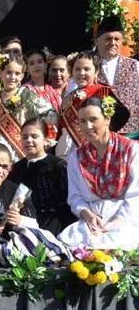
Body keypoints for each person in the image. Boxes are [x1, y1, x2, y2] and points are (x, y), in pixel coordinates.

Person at [59, 97, 139, 249]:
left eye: (93, 119)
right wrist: (87, 215)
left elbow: (136, 196)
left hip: (126, 220)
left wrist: (117, 221)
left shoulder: (131, 150)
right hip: (93, 221)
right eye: (82, 121)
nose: (87, 126)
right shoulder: (77, 157)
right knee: (69, 242)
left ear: (107, 119)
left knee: (120, 245)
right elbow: (75, 197)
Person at [55, 51, 126, 158]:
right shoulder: (67, 97)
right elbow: (62, 126)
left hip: (94, 147)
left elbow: (121, 116)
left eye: (86, 69)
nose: (81, 73)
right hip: (65, 148)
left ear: (96, 72)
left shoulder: (102, 91)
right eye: (77, 69)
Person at [8, 118, 72, 235]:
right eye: (25, 137)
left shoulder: (58, 166)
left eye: (34, 136)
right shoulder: (17, 168)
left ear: (45, 140)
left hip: (53, 226)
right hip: (20, 224)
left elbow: (66, 204)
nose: (29, 140)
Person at [0, 55, 54, 160]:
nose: (12, 77)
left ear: (22, 76)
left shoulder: (28, 95)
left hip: (23, 147)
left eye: (17, 73)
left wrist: (44, 138)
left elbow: (51, 115)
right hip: (0, 149)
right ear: (1, 73)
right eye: (8, 72)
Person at [92, 16, 139, 136]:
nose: (113, 43)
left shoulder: (134, 65)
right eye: (108, 38)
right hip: (98, 134)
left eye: (117, 39)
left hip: (131, 134)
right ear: (97, 41)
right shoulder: (87, 65)